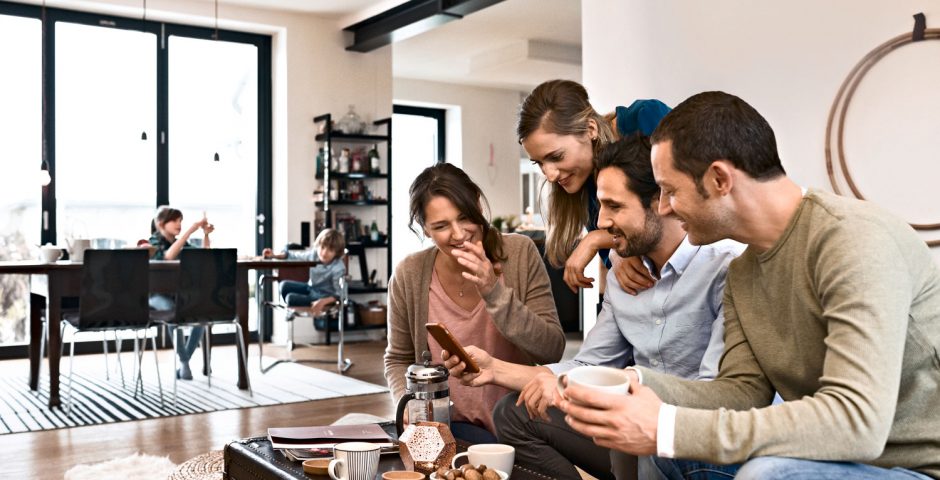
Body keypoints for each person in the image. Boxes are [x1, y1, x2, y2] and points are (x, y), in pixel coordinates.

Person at [556, 91, 940, 479]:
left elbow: (856, 421)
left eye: (671, 191)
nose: (664, 208)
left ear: (719, 179)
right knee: (663, 448)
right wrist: (633, 381)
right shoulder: (743, 273)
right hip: (829, 459)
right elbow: (740, 392)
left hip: (913, 467)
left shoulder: (852, 241)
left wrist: (667, 427)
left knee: (765, 473)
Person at [443, 136, 743, 480]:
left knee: (641, 434)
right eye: (600, 206)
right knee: (515, 411)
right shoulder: (622, 275)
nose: (600, 223)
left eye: (614, 206)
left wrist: (626, 394)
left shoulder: (725, 269)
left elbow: (717, 394)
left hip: (698, 440)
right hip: (632, 434)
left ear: (660, 201)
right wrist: (494, 370)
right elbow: (589, 365)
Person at [384, 163, 564, 443]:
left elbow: (551, 349)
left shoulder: (519, 253)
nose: (458, 234)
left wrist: (492, 290)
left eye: (465, 217)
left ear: (478, 205)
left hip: (519, 424)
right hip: (449, 429)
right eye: (441, 226)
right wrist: (405, 403)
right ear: (425, 229)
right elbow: (397, 359)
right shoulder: (410, 273)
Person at [518, 79, 672, 294]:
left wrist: (597, 240)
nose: (550, 175)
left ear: (590, 129)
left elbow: (681, 208)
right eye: (539, 163)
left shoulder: (645, 118)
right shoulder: (583, 182)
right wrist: (616, 254)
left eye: (556, 156)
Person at [148, 206, 214, 380]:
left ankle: (184, 363)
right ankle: (185, 364)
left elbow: (205, 257)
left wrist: (206, 235)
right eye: (175, 220)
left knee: (200, 316)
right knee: (172, 312)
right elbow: (168, 257)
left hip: (179, 295)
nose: (179, 224)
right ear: (161, 224)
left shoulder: (181, 242)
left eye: (181, 221)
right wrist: (191, 230)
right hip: (157, 296)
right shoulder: (153, 242)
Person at [262, 228, 346, 316]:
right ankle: (291, 310)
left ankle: (291, 311)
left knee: (290, 298)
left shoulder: (338, 267)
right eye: (322, 247)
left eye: (330, 250)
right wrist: (274, 255)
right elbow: (294, 256)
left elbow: (340, 294)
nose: (324, 252)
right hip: (311, 288)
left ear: (337, 253)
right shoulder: (314, 254)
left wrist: (323, 302)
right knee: (284, 285)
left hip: (324, 296)